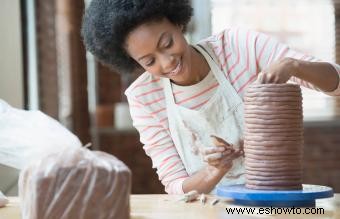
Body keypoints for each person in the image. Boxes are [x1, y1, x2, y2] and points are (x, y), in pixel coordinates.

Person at [81, 0, 340, 194]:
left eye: (167, 43)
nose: (167, 61)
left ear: (179, 23)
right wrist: (214, 171)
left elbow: (336, 83)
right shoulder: (144, 97)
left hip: (276, 203)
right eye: (149, 61)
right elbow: (175, 185)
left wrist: (294, 65)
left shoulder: (239, 47)